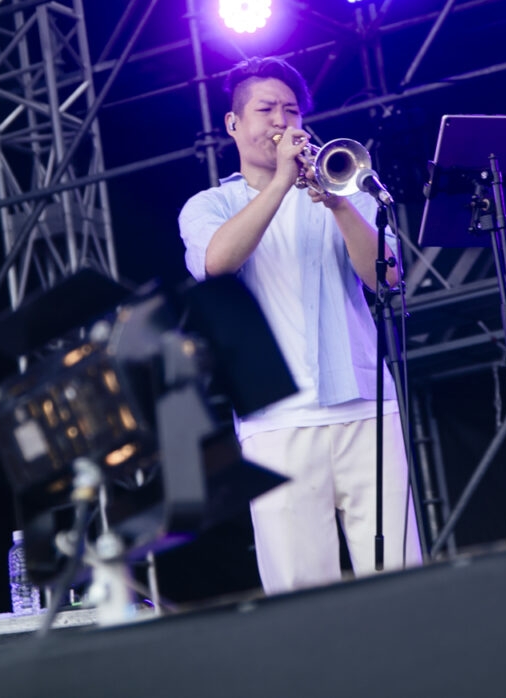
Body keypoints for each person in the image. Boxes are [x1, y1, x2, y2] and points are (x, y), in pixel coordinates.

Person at [178, 56, 420, 593]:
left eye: (291, 110)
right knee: (300, 593)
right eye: (266, 109)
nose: (281, 121)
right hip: (276, 422)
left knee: (401, 580)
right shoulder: (208, 205)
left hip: (367, 406)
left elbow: (387, 276)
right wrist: (281, 184)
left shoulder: (343, 188)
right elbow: (217, 264)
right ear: (233, 124)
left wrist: (337, 204)